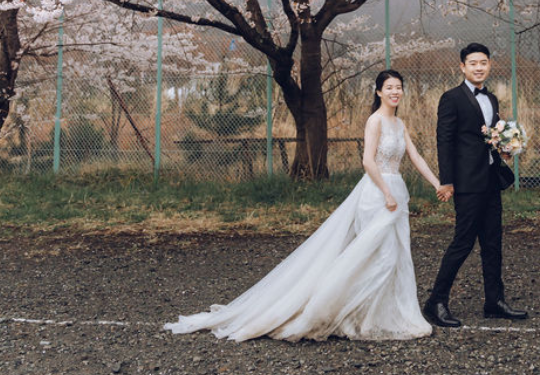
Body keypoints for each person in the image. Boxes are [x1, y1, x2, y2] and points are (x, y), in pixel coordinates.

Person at [164, 69, 444, 341]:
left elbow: (416, 156)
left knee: (395, 255)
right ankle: (349, 313)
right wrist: (386, 192)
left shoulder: (399, 123)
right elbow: (367, 161)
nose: (395, 92)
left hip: (397, 190)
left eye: (399, 87)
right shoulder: (376, 121)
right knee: (376, 256)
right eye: (390, 87)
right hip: (377, 193)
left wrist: (437, 184)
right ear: (379, 91)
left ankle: (381, 314)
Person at [422, 42, 528, 328]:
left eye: (483, 62)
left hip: (491, 180)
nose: (479, 67)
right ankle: (436, 301)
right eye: (473, 63)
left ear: (489, 65)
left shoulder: (492, 99)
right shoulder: (451, 98)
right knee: (463, 242)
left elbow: (490, 137)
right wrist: (447, 181)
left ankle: (494, 301)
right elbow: (444, 142)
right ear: (462, 67)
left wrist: (503, 148)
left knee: (493, 243)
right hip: (467, 183)